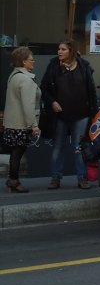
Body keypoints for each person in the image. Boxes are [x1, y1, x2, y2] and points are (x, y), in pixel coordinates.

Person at [40, 39, 99, 189]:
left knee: (79, 147)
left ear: (71, 51)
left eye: (63, 49)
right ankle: (55, 177)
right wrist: (52, 102)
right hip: (60, 115)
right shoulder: (53, 65)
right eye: (59, 49)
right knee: (58, 146)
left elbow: (91, 90)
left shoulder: (83, 66)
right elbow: (44, 88)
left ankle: (81, 177)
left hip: (81, 114)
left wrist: (94, 110)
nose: (59, 52)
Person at [3, 47, 41, 193]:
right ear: (24, 61)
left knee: (15, 153)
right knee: (17, 154)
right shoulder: (25, 80)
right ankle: (14, 181)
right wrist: (34, 125)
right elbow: (28, 105)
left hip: (12, 122)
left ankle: (12, 180)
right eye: (31, 59)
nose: (33, 61)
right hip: (21, 123)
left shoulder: (14, 76)